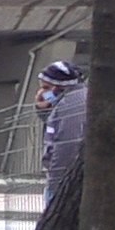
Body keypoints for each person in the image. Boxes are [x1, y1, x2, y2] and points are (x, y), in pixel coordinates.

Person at [38, 60, 86, 205]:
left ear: (57, 87)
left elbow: (67, 145)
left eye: (45, 87)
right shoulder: (67, 101)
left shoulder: (71, 105)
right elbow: (54, 121)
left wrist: (56, 182)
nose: (42, 92)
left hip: (63, 182)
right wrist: (43, 107)